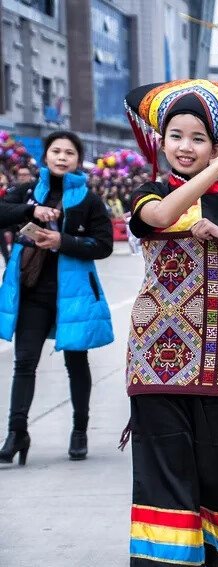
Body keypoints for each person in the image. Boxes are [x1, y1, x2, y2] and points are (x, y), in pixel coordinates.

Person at [124, 78, 218, 566]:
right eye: (175, 136)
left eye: (198, 138)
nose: (184, 147)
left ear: (216, 143)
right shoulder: (149, 193)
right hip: (156, 357)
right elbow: (161, 217)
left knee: (213, 470)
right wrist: (216, 168)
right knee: (161, 465)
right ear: (161, 142)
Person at [0, 130, 114, 464]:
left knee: (76, 362)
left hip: (73, 296)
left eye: (69, 153)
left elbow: (104, 245)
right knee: (24, 363)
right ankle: (16, 433)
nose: (62, 157)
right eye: (56, 151)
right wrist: (29, 212)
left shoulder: (89, 200)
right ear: (46, 157)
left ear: (78, 160)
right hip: (33, 292)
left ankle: (80, 431)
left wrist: (62, 242)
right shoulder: (27, 192)